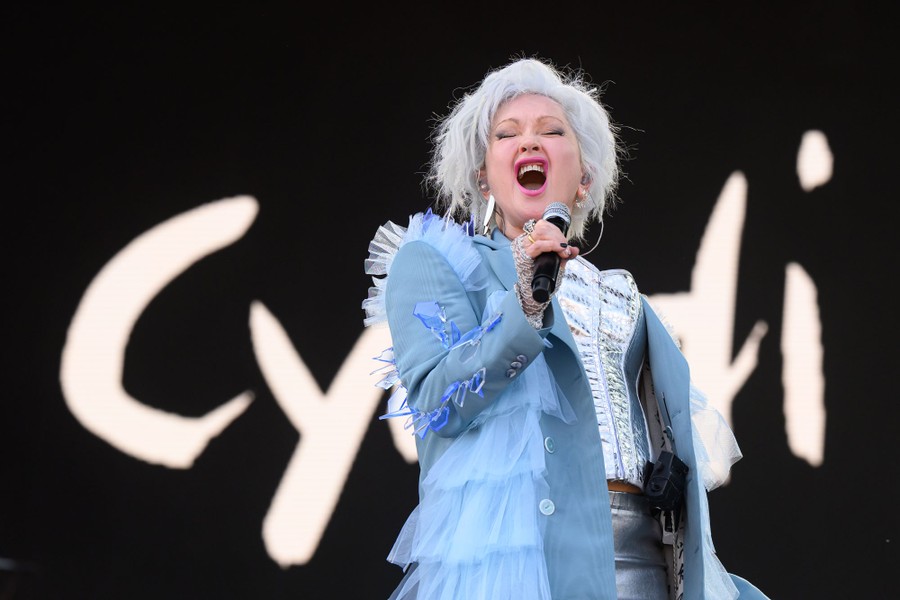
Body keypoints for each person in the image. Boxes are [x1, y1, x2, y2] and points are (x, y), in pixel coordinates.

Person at [362, 56, 768, 600]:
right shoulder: (440, 263)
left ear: (585, 178)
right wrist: (523, 306)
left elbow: (657, 415)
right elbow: (439, 400)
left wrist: (666, 463)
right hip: (526, 554)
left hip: (643, 555)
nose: (529, 141)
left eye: (552, 131)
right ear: (483, 175)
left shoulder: (624, 295)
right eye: (506, 134)